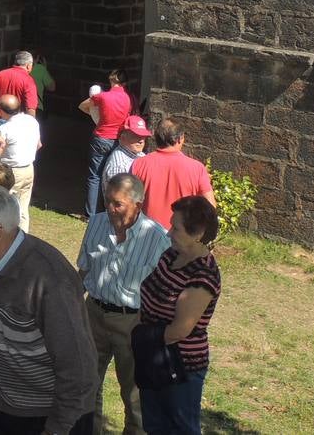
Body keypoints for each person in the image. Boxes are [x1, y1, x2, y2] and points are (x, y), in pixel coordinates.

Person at [0, 185, 98, 435]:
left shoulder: (50, 280)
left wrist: (57, 429)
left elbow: (79, 369)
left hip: (48, 416)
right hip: (2, 406)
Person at [77, 173, 171, 435]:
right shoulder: (96, 223)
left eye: (117, 204)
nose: (110, 208)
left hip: (133, 321)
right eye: (107, 201)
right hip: (93, 313)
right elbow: (83, 271)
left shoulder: (157, 238)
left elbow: (164, 293)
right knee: (86, 384)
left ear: (137, 205)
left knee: (134, 394)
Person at [135, 196, 221, 435]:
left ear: (198, 233)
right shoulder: (171, 255)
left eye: (176, 228)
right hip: (153, 354)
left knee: (180, 428)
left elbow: (179, 330)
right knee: (154, 425)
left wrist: (140, 336)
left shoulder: (203, 275)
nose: (169, 232)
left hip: (180, 365)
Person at [131, 119, 216, 230]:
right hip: (181, 234)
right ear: (180, 139)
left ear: (156, 137)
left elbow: (130, 202)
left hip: (146, 234)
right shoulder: (197, 168)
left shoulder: (139, 164)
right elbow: (210, 207)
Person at [79, 69, 135, 218]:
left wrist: (95, 113)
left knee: (95, 176)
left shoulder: (103, 96)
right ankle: (114, 209)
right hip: (118, 139)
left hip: (101, 137)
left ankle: (90, 213)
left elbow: (83, 106)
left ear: (111, 80)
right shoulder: (128, 98)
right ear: (125, 83)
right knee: (115, 176)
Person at [0, 94, 42, 232]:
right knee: (23, 208)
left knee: (6, 207)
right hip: (28, 168)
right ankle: (23, 237)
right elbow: (38, 145)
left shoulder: (5, 129)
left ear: (0, 111)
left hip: (11, 171)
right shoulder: (32, 122)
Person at [102, 115, 152, 192]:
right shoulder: (119, 166)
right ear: (122, 138)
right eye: (136, 136)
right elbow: (120, 199)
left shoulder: (138, 153)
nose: (141, 141)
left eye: (143, 136)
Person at [0, 50, 38, 117]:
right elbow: (30, 108)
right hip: (17, 121)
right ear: (28, 66)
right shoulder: (28, 80)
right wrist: (31, 125)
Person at [29, 52, 56, 116]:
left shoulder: (16, 70)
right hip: (36, 107)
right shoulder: (40, 69)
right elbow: (52, 88)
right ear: (37, 58)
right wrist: (44, 69)